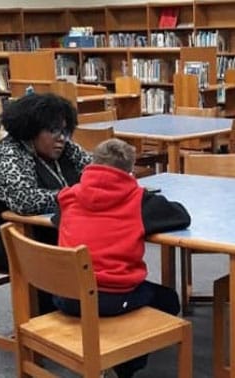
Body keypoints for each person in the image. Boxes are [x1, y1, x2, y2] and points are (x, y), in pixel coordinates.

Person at [52, 138, 191, 378]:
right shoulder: (139, 201)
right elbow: (181, 215)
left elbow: (57, 220)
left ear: (92, 164)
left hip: (66, 295)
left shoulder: (69, 197)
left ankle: (113, 351)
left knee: (144, 296)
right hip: (110, 297)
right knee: (168, 300)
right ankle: (127, 364)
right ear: (130, 170)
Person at [0, 92, 92, 273]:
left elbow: (95, 172)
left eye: (64, 131)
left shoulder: (64, 148)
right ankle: (54, 301)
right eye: (53, 130)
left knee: (94, 244)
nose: (61, 137)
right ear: (31, 130)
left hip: (41, 229)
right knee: (59, 259)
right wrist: (75, 194)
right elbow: (25, 201)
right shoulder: (7, 155)